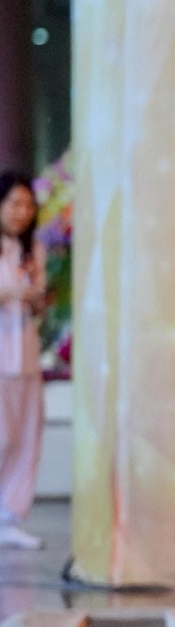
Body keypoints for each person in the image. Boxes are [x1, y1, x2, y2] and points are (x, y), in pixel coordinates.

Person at [0, 173, 46, 551]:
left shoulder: (33, 252)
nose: (21, 212)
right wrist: (9, 292)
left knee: (26, 439)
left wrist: (34, 296)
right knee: (3, 437)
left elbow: (40, 303)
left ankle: (10, 518)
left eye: (28, 205)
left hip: (26, 356)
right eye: (14, 203)